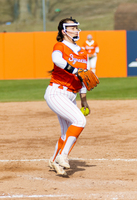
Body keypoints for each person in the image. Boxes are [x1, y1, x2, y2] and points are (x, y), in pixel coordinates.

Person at [44, 17, 89, 176]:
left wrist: (83, 99)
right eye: (73, 27)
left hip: (71, 95)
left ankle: (54, 159)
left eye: (77, 27)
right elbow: (56, 60)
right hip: (56, 92)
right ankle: (63, 156)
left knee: (66, 132)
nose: (76, 30)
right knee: (80, 120)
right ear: (64, 31)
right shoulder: (60, 46)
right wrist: (74, 70)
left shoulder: (83, 52)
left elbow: (86, 76)